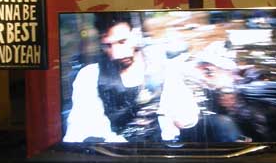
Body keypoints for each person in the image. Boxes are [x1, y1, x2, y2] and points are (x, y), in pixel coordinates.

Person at [63, 13, 199, 143]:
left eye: (122, 42)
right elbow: (83, 130)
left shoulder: (162, 68)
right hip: (115, 156)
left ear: (136, 34)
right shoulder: (90, 76)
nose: (116, 54)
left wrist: (181, 115)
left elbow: (187, 117)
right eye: (108, 45)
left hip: (161, 152)